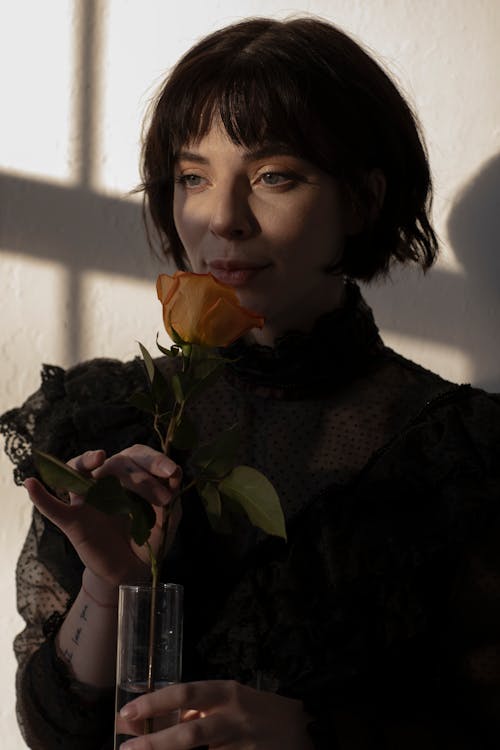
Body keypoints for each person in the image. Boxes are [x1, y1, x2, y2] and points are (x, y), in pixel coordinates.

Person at [2, 15, 500, 750]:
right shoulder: (103, 419)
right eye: (193, 177)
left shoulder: (464, 453)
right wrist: (112, 583)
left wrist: (313, 733)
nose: (224, 220)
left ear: (360, 199)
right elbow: (57, 732)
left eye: (275, 176)